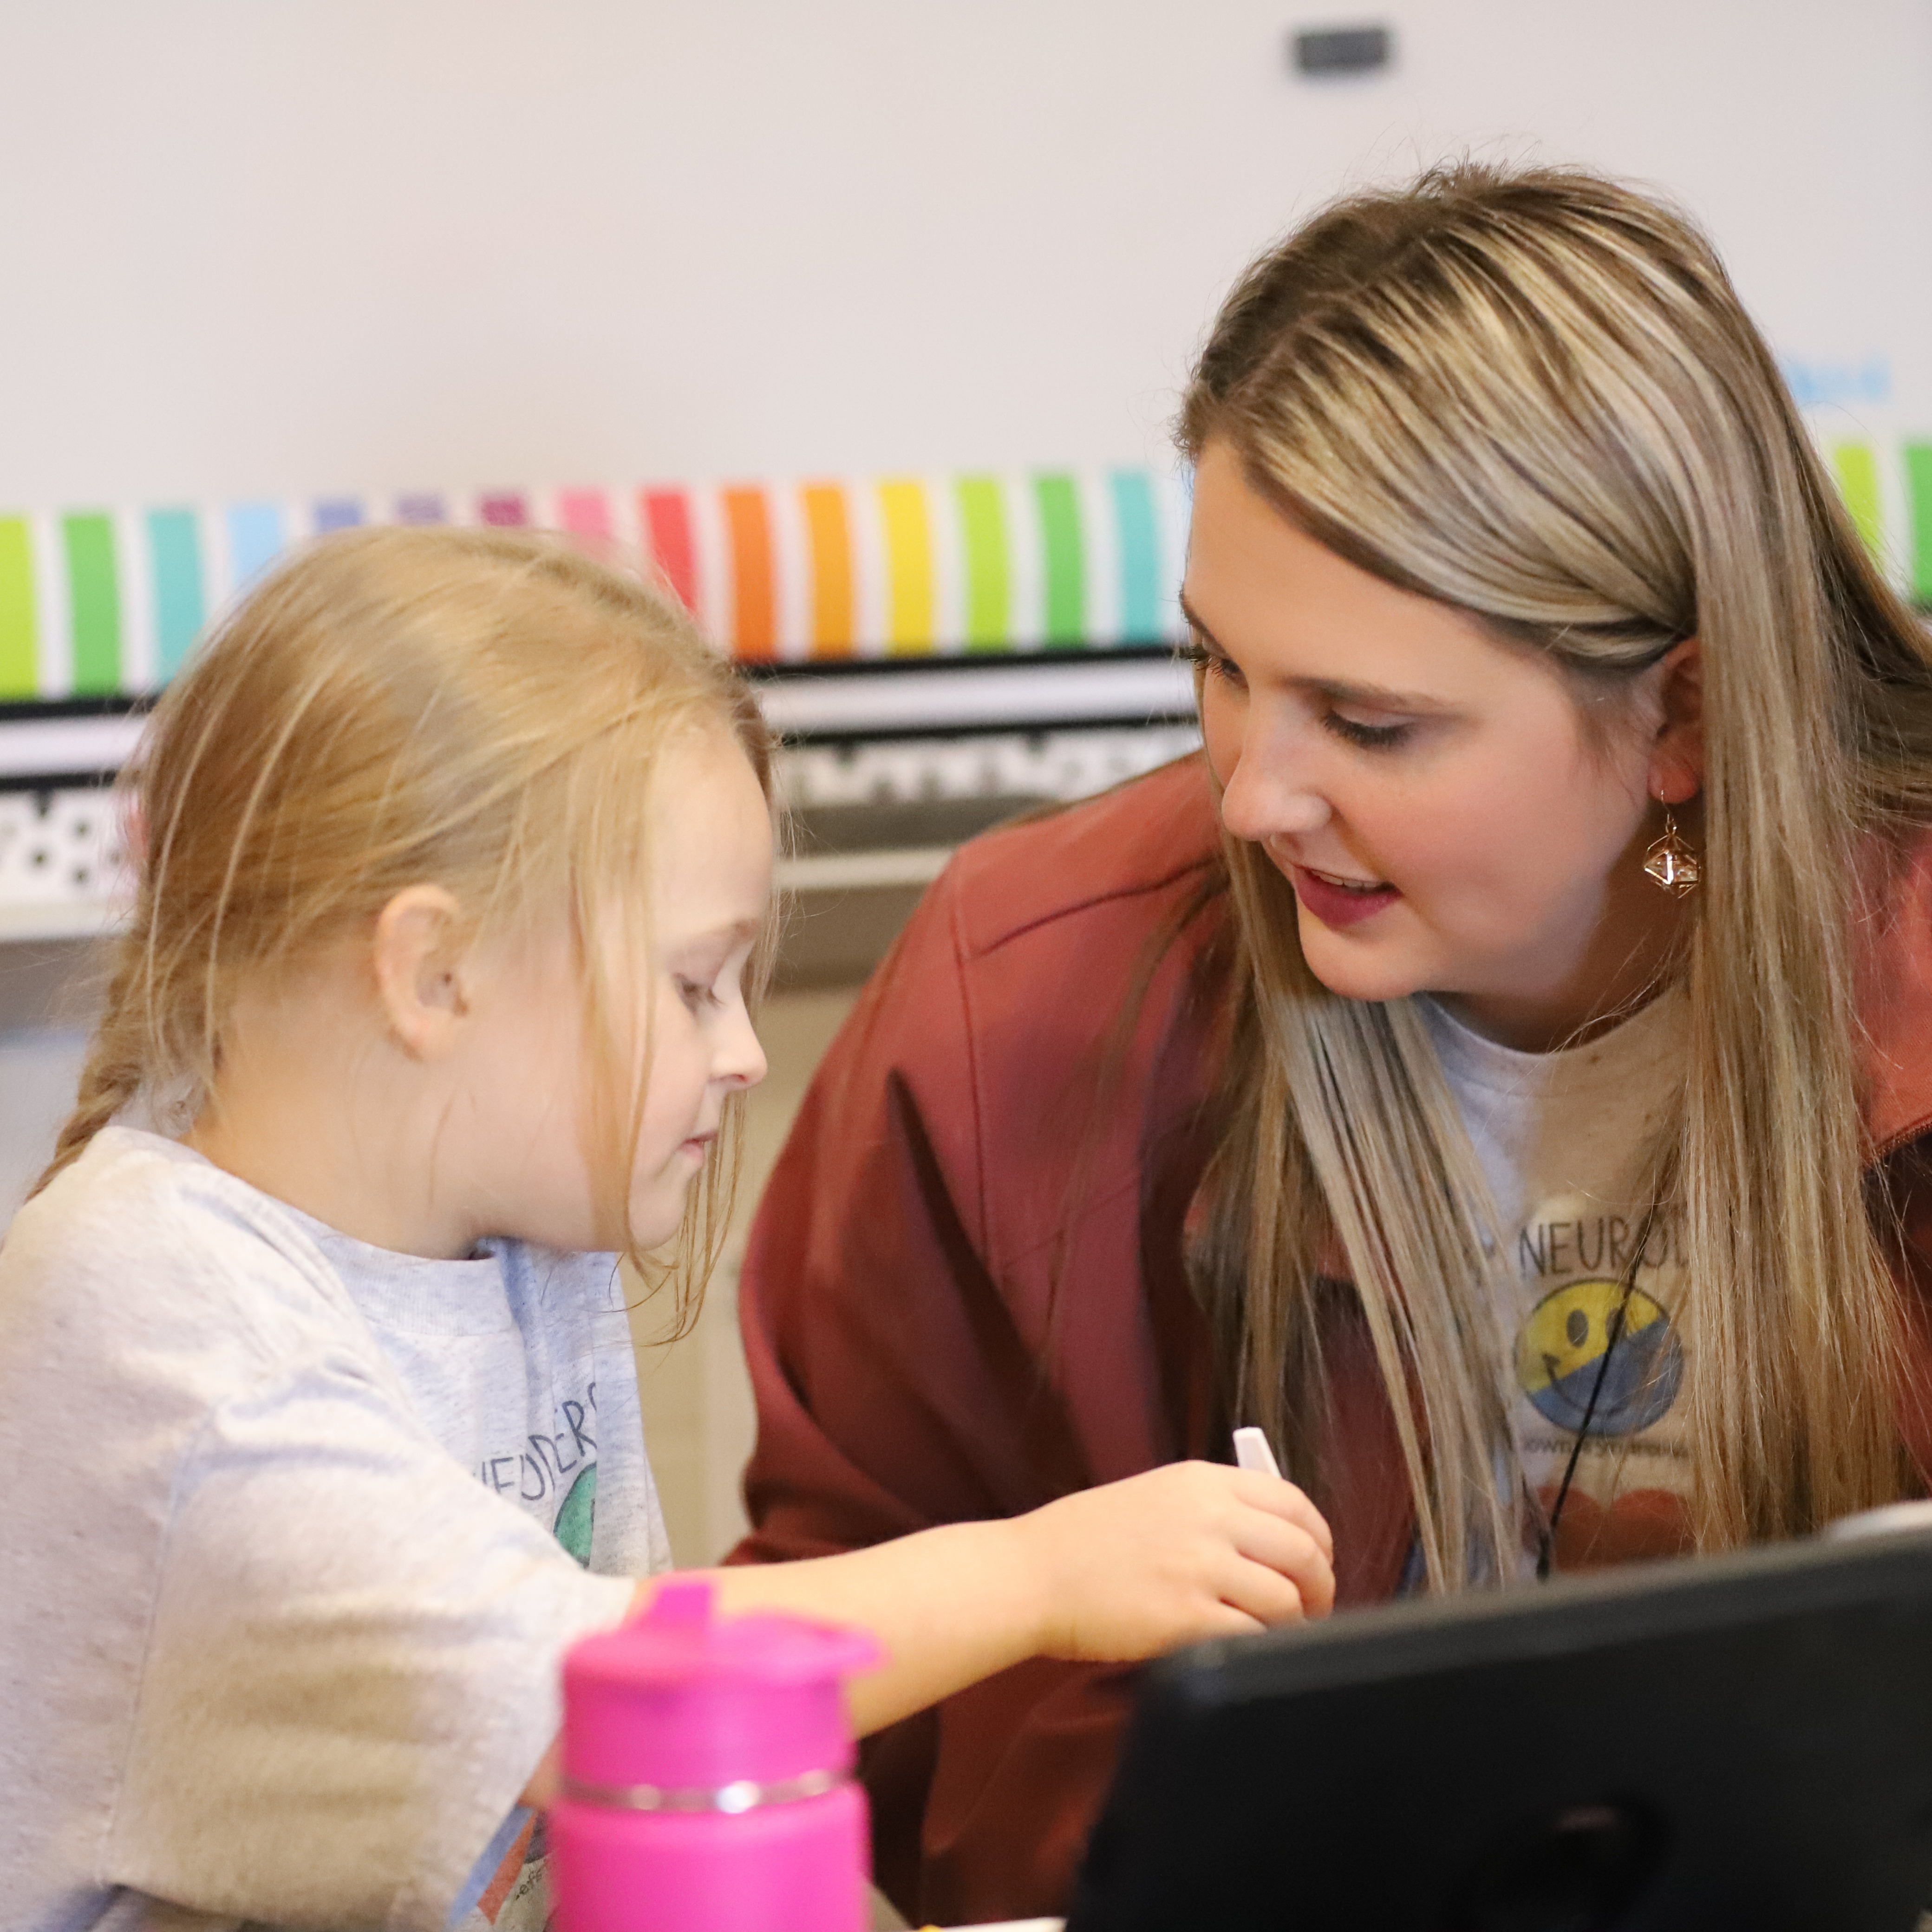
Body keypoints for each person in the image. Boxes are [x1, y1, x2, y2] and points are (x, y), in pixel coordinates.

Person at [727, 161, 1932, 1925]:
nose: (1250, 790)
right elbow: (857, 1653)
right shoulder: (1019, 993)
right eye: (1218, 667)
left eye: (1370, 722)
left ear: (1682, 711)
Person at [0, 527, 1335, 1932]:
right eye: (696, 985)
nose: (747, 1051)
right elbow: (603, 1705)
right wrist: (1043, 1574)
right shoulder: (153, 1317)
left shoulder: (511, 1234)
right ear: (433, 972)